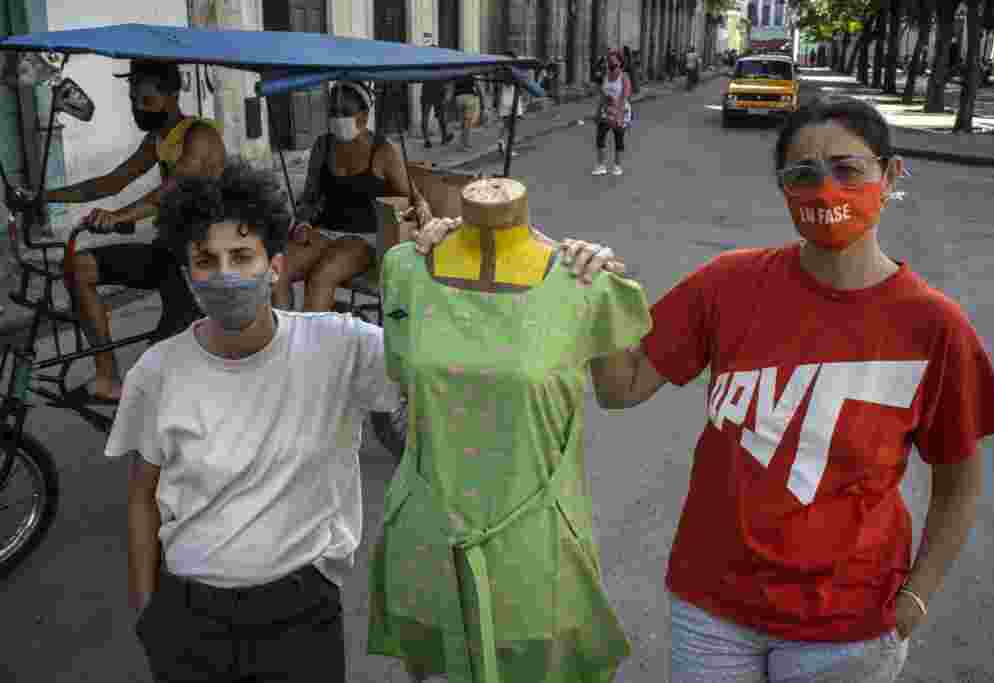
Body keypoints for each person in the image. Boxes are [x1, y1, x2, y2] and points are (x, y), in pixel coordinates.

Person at [106, 160, 623, 683]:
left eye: (242, 256)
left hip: (299, 616)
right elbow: (140, 497)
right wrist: (150, 615)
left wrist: (549, 260)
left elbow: (472, 360)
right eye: (205, 260)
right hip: (188, 616)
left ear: (276, 266)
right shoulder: (159, 370)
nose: (224, 275)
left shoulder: (337, 346)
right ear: (185, 272)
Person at [578, 95, 994, 682]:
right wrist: (596, 298)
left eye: (847, 169)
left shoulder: (934, 327)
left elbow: (959, 484)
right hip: (713, 612)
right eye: (803, 174)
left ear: (890, 176)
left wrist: (918, 595)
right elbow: (621, 389)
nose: (825, 190)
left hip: (848, 627)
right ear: (784, 188)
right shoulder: (725, 286)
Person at [368, 178, 652, 683]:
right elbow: (403, 380)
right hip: (428, 537)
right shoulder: (404, 269)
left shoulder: (584, 281)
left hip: (538, 547)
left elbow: (619, 391)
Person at [43, 59, 226, 402]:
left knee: (160, 373)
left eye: (145, 101)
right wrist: (46, 195)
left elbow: (171, 190)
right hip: (169, 250)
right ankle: (107, 377)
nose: (138, 109)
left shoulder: (200, 136)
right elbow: (112, 181)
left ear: (171, 94)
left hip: (203, 260)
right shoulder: (158, 139)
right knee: (78, 267)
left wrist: (121, 215)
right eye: (133, 101)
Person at [271, 81, 433, 312]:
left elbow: (414, 197)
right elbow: (310, 197)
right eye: (334, 113)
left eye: (345, 113)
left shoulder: (384, 151)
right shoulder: (323, 145)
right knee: (278, 271)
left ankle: (312, 345)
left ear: (364, 116)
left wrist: (423, 211)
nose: (338, 119)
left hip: (365, 238)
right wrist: (302, 222)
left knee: (321, 276)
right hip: (324, 231)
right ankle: (284, 337)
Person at [592, 49, 633, 177]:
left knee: (618, 138)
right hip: (606, 111)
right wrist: (598, 112)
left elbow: (624, 97)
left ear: (620, 63)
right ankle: (601, 165)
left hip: (620, 110)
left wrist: (618, 115)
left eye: (614, 65)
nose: (611, 67)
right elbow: (602, 96)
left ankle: (617, 166)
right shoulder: (606, 76)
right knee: (600, 137)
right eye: (609, 64)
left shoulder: (624, 77)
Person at [496, 51, 527, 158]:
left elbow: (499, 89)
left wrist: (497, 103)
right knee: (513, 128)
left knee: (505, 124)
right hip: (513, 99)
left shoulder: (501, 70)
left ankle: (500, 140)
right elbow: (521, 83)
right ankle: (509, 149)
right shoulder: (514, 70)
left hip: (504, 100)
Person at [420, 78, 454, 148]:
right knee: (440, 116)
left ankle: (427, 140)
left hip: (427, 91)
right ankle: (444, 138)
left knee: (426, 116)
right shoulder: (440, 69)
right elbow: (448, 82)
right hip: (437, 92)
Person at [452, 74, 482, 151]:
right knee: (467, 123)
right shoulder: (470, 72)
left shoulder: (457, 73)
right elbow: (477, 86)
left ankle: (461, 144)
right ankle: (465, 144)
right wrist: (481, 98)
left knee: (462, 122)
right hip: (469, 98)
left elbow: (452, 86)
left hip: (458, 98)